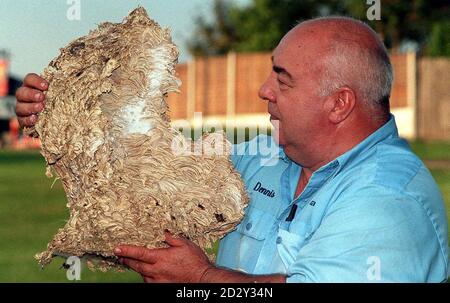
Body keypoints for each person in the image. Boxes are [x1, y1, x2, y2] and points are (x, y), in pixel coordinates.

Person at [16, 16, 448, 282]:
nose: (264, 91)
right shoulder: (265, 157)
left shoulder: (389, 201)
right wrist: (65, 114)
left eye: (283, 78)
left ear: (339, 103)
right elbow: (147, 170)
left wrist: (202, 278)